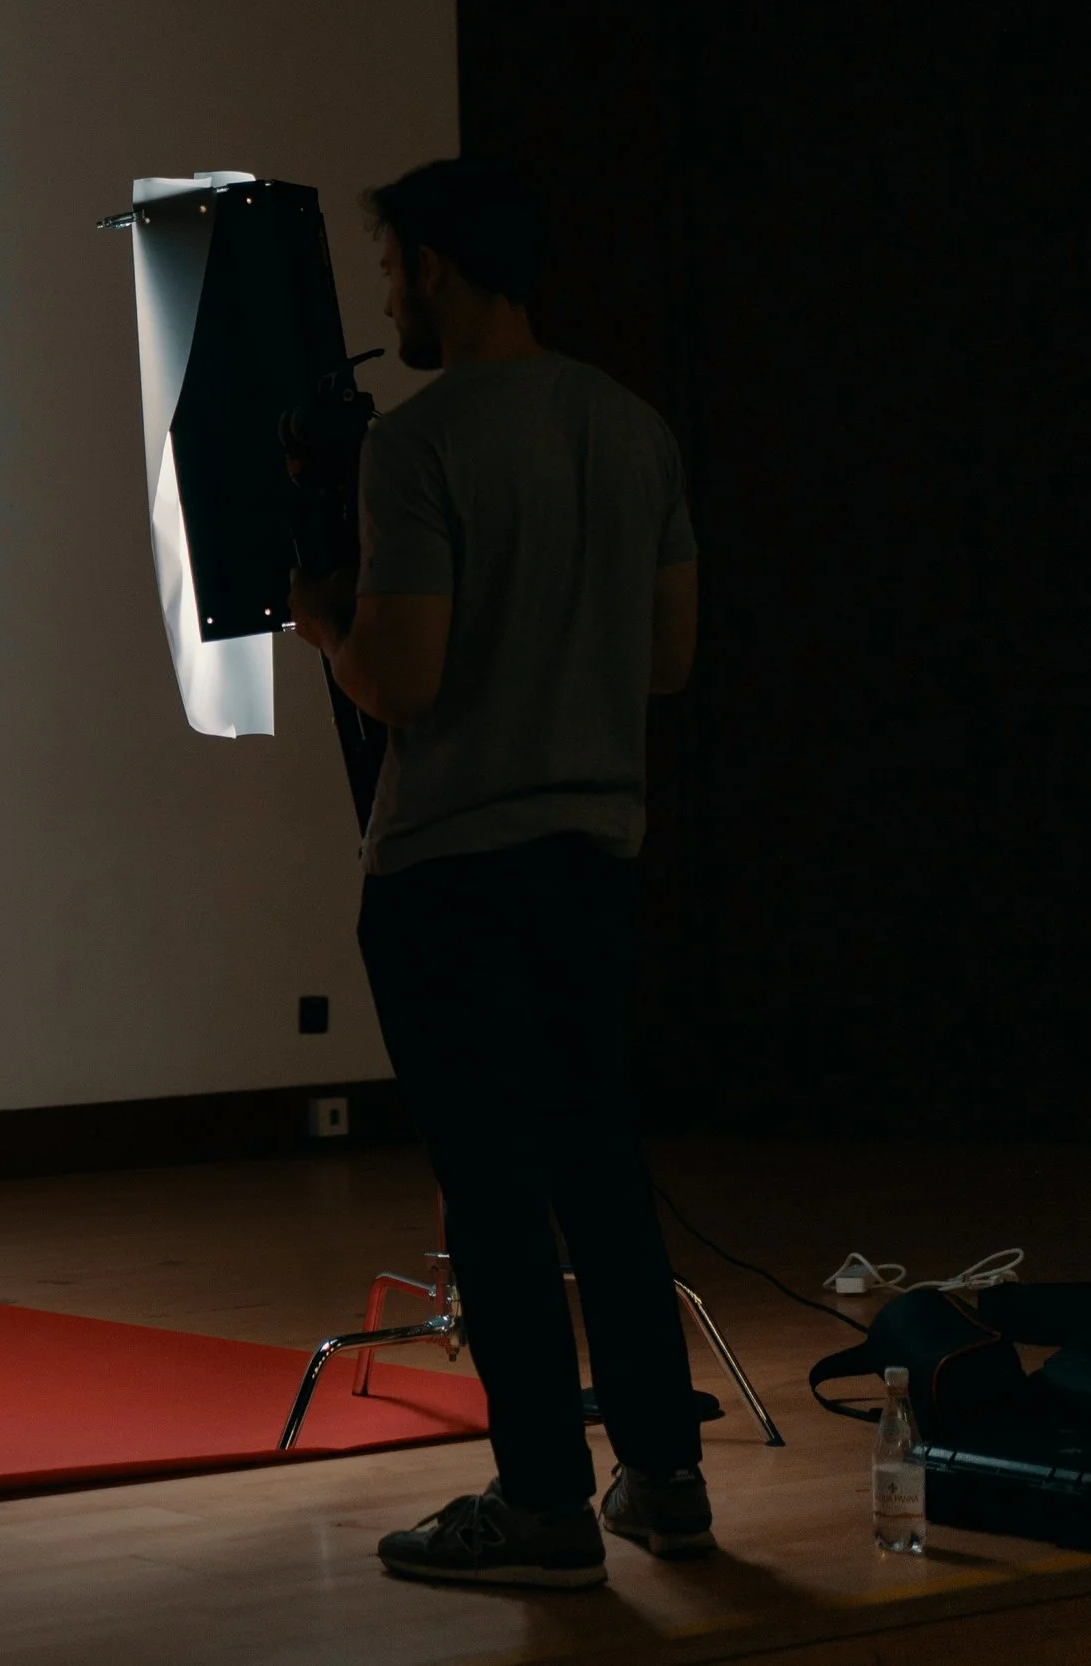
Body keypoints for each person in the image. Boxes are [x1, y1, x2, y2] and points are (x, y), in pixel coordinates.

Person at [286, 159, 708, 1589]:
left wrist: (323, 629)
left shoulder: (419, 443)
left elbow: (402, 678)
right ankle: (666, 1476)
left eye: (395, 268)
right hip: (595, 860)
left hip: (453, 872)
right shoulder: (633, 427)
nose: (389, 295)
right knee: (601, 1168)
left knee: (493, 1194)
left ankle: (540, 1503)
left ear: (440, 269)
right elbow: (668, 659)